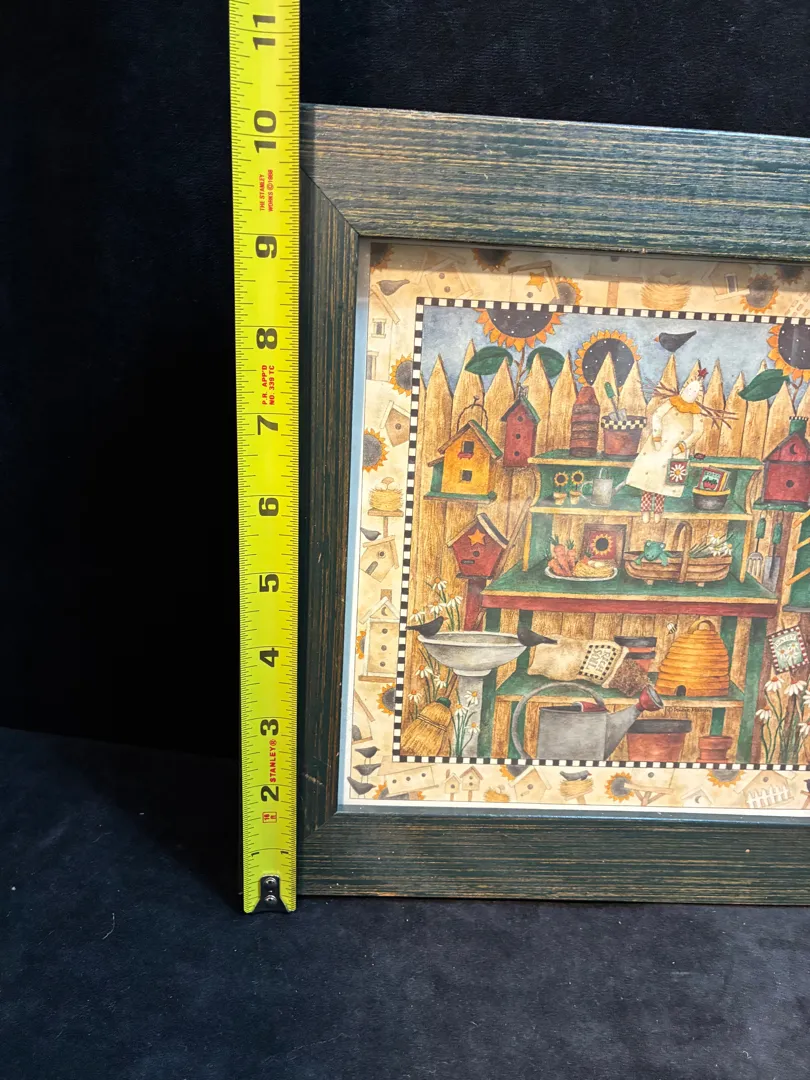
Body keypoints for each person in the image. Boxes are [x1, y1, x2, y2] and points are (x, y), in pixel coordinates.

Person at [625, 368, 706, 522]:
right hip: (658, 445)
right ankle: (645, 509)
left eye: (694, 392)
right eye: (689, 390)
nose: (690, 393)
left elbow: (697, 431)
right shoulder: (671, 403)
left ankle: (658, 510)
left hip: (676, 450)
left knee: (663, 483)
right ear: (684, 389)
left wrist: (683, 446)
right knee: (649, 478)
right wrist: (657, 436)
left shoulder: (696, 412)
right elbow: (657, 416)